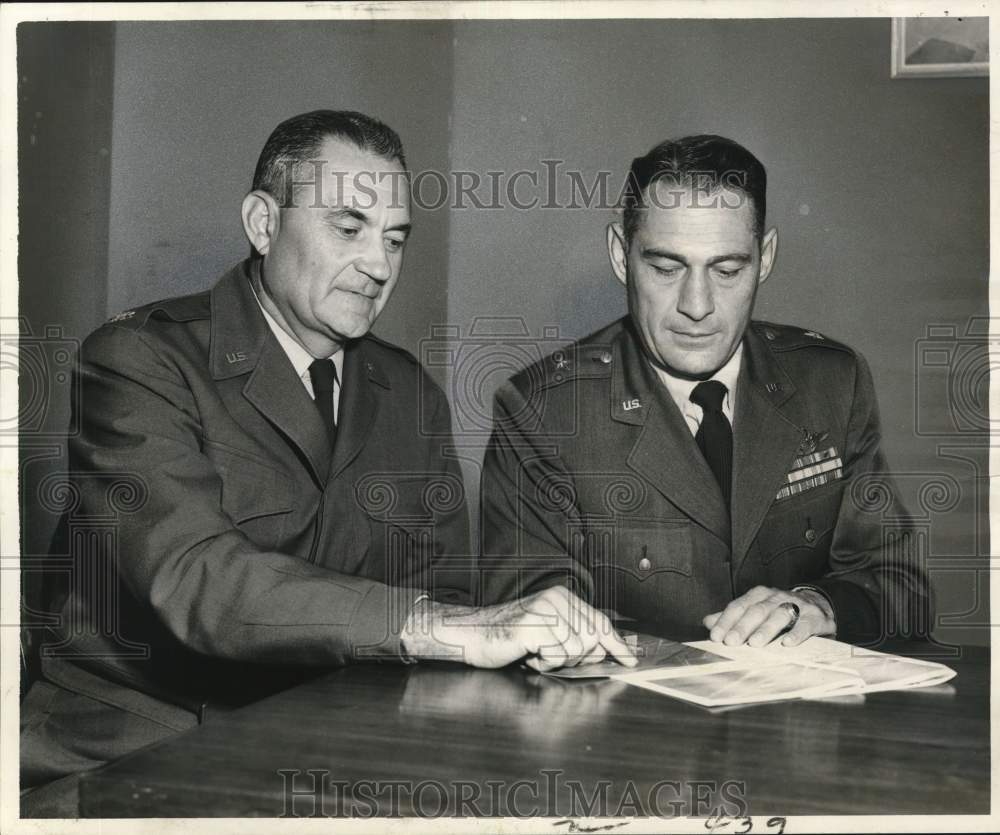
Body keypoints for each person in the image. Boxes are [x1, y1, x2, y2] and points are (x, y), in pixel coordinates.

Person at [21, 110, 634, 816]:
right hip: (136, 753)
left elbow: (439, 593)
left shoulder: (407, 391)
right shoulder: (138, 362)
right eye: (349, 227)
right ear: (262, 222)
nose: (378, 265)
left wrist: (530, 637)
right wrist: (451, 627)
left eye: (395, 238)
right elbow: (200, 583)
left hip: (330, 753)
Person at [480, 134, 933, 649]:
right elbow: (527, 608)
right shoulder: (543, 410)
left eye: (727, 270)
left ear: (764, 258)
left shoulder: (831, 381)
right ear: (619, 255)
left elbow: (902, 589)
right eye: (666, 268)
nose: (697, 305)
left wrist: (817, 605)